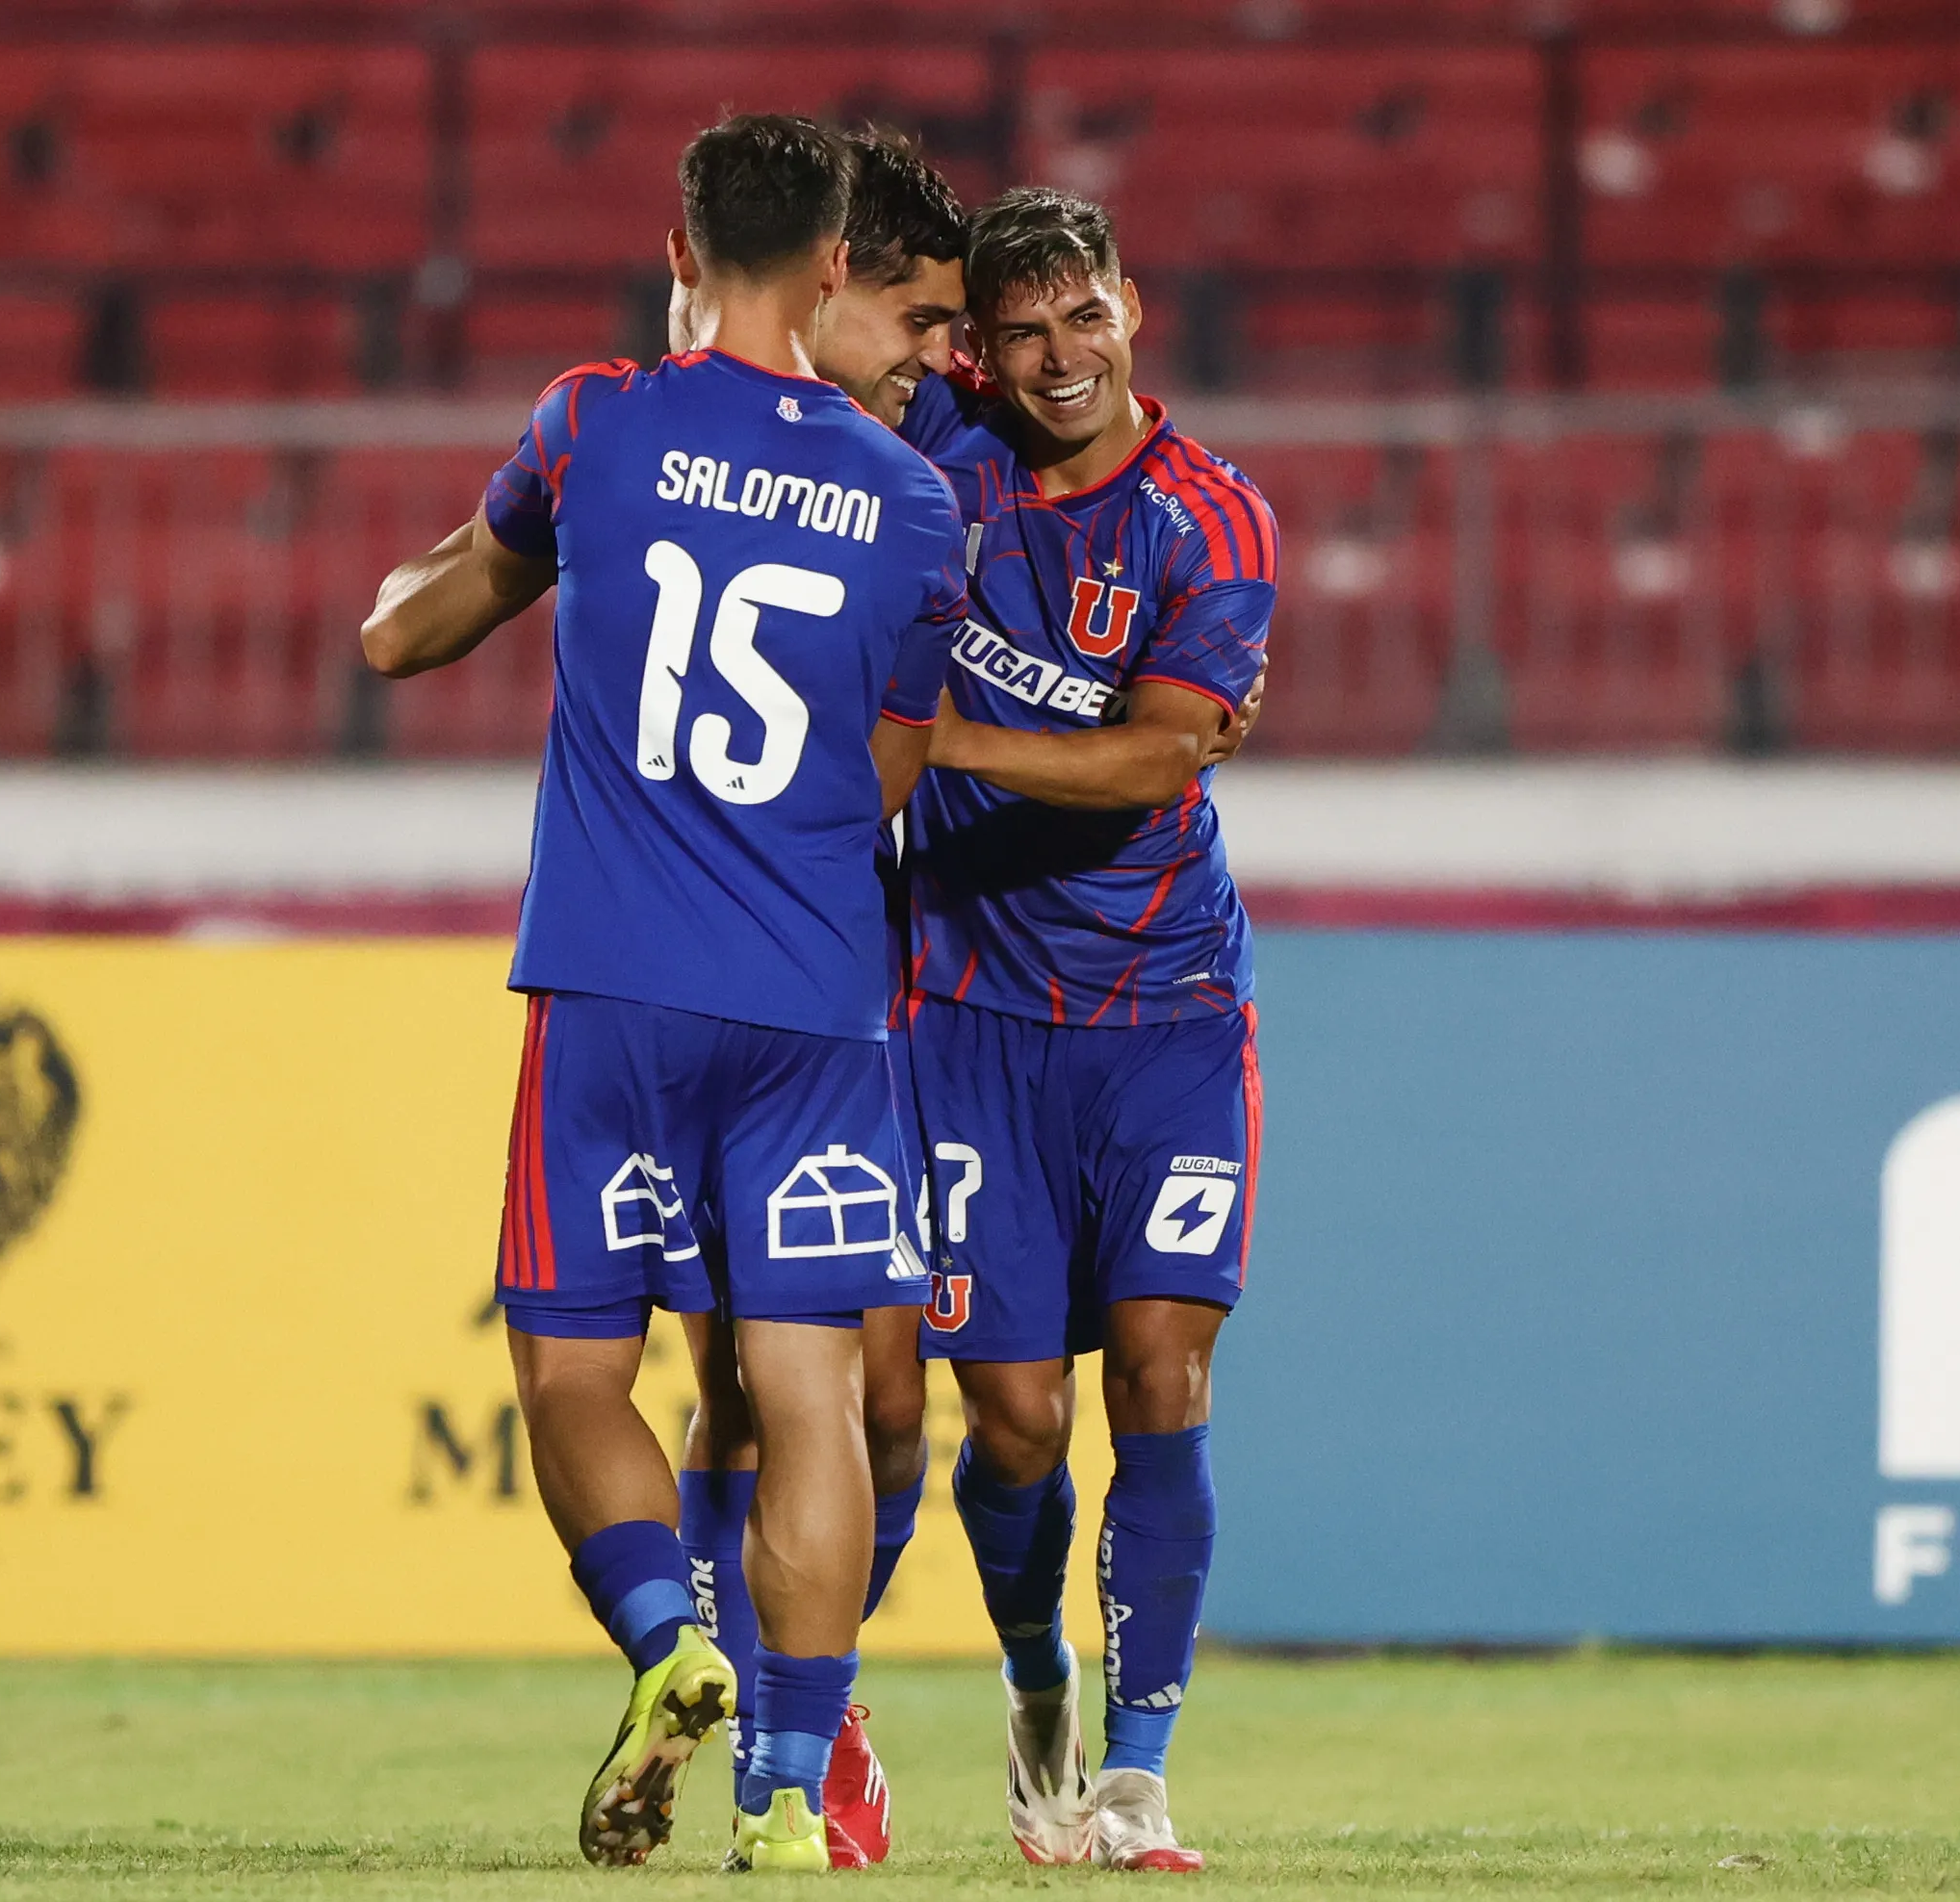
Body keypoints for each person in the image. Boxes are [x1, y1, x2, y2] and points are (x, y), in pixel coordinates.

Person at [359, 113, 967, 1875]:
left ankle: (665, 1642)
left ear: (683, 243)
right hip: (813, 1001)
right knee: (808, 1399)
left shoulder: (595, 420)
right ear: (841, 264)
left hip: (609, 990)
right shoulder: (915, 499)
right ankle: (787, 1789)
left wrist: (411, 601)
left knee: (574, 1381)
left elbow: (415, 628)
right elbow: (894, 772)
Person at [903, 186, 1277, 1874]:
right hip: (969, 1007)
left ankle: (1137, 1773)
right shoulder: (934, 446)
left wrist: (937, 743)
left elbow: (1156, 755)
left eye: (1087, 318)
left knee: (1157, 1374)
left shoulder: (1208, 520)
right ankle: (1037, 1670)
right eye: (1024, 330)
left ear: (1137, 303)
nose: (1062, 359)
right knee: (1015, 1422)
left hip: (1168, 1009)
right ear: (981, 343)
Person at [672, 123, 970, 1872]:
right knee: (758, 1376)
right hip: (797, 972)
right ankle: (789, 1723)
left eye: (958, 333)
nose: (937, 361)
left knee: (894, 1397)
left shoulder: (947, 454)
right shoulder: (740, 426)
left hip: (947, 976)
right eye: (921, 321)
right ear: (837, 276)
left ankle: (813, 1672)